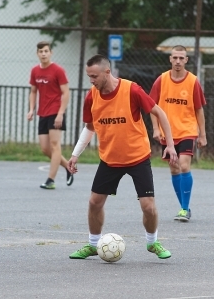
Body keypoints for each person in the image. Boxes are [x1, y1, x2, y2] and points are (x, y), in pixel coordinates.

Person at [67, 54, 179, 260]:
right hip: (110, 159)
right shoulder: (91, 97)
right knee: (94, 203)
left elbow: (160, 113)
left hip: (137, 157)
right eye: (89, 76)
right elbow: (89, 128)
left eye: (94, 76)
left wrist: (170, 145)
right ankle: (93, 244)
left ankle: (153, 242)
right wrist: (75, 154)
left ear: (107, 72)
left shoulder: (132, 90)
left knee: (148, 206)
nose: (91, 81)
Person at [149, 45, 207, 222]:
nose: (178, 61)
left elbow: (199, 110)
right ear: (170, 59)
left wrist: (202, 134)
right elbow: (152, 106)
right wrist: (156, 128)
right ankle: (184, 207)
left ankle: (183, 208)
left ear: (186, 60)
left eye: (181, 58)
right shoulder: (161, 80)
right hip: (168, 132)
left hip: (188, 130)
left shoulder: (193, 81)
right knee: (174, 167)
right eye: (175, 58)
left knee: (183, 165)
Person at [27, 41, 72, 189]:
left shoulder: (58, 70)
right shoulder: (35, 71)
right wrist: (31, 109)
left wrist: (61, 113)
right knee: (45, 149)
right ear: (37, 54)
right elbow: (33, 91)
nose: (43, 54)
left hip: (55, 112)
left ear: (51, 53)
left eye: (46, 51)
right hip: (43, 113)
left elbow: (66, 93)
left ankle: (50, 180)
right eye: (41, 51)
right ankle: (67, 166)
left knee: (54, 145)